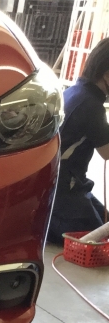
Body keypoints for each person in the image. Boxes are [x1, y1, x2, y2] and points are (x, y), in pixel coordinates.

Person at [48, 38, 109, 243]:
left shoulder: (75, 91)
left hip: (60, 186)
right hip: (62, 192)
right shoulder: (92, 106)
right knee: (97, 239)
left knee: (105, 223)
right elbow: (107, 153)